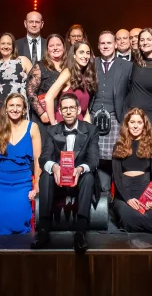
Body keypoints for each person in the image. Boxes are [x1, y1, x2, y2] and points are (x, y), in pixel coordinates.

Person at [33, 92, 100, 253]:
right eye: (65, 109)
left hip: (79, 179)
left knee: (89, 177)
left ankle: (80, 232)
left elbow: (94, 160)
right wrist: (55, 167)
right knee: (45, 175)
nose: (68, 111)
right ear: (60, 112)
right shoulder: (51, 130)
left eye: (72, 108)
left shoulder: (91, 130)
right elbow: (44, 158)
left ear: (78, 110)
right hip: (58, 181)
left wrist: (79, 169)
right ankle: (43, 230)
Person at [0, 92, 42, 235]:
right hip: (0, 183)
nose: (15, 109)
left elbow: (38, 160)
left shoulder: (32, 128)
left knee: (17, 223)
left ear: (24, 109)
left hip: (22, 183)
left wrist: (36, 186)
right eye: (11, 105)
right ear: (6, 109)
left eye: (18, 106)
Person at [112, 108, 152, 234]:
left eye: (139, 122)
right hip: (125, 193)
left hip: (146, 192)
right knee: (128, 219)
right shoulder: (118, 146)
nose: (135, 126)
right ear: (127, 124)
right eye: (132, 122)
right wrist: (128, 199)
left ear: (144, 125)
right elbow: (117, 178)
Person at [92, 30, 132, 192]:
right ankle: (104, 199)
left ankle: (119, 202)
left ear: (115, 44)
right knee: (97, 160)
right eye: (102, 43)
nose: (106, 46)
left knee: (117, 159)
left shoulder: (128, 66)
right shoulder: (91, 63)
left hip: (116, 118)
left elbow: (131, 93)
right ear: (98, 46)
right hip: (93, 117)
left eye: (109, 42)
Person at [43, 41, 95, 124]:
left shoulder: (84, 76)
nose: (85, 56)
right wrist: (53, 124)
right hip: (65, 126)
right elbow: (49, 97)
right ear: (74, 55)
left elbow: (85, 109)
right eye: (81, 52)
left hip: (79, 126)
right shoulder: (68, 72)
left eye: (87, 53)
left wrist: (89, 130)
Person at [25, 34, 66, 125]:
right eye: (51, 46)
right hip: (45, 117)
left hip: (65, 115)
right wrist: (41, 113)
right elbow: (30, 91)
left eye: (58, 45)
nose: (55, 48)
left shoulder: (69, 67)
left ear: (64, 47)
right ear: (47, 49)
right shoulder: (40, 66)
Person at [0, 32, 31, 101]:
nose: (6, 47)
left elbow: (34, 84)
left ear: (13, 46)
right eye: (3, 44)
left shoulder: (23, 60)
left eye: (9, 44)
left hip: (18, 104)